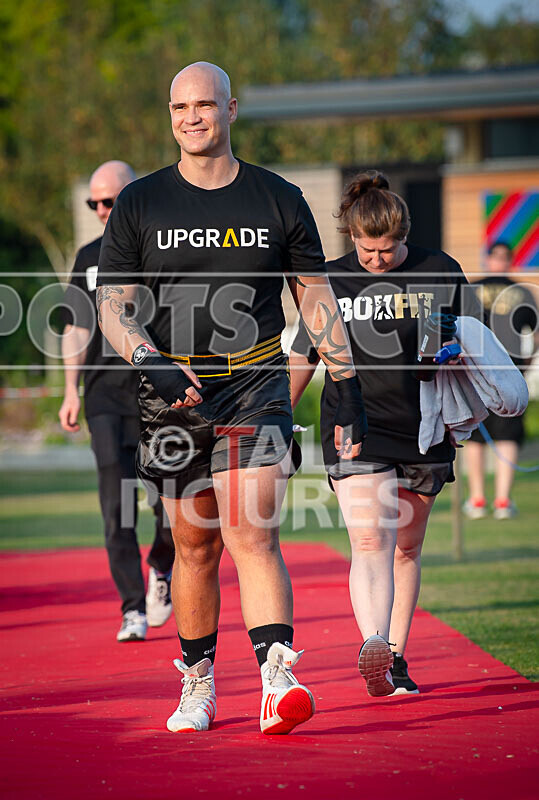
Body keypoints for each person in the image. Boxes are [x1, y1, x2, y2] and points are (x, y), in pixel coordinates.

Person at [95, 62, 366, 735]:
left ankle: (277, 679)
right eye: (179, 107)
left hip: (255, 384)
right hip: (171, 397)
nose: (192, 117)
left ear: (231, 109)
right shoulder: (139, 202)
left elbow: (313, 296)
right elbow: (112, 306)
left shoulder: (278, 198)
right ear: (170, 114)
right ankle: (198, 684)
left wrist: (346, 381)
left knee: (253, 530)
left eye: (205, 105)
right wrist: (150, 361)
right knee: (193, 546)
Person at [290, 171, 476, 696]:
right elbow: (304, 354)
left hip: (424, 428)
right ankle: (374, 643)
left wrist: (454, 351)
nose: (376, 259)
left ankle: (395, 658)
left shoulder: (440, 270)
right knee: (371, 539)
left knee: (406, 549)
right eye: (367, 249)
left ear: (404, 235)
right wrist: (278, 414)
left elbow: (475, 344)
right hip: (354, 425)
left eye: (387, 250)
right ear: (351, 236)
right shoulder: (327, 280)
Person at [59, 160, 176, 643]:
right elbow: (76, 326)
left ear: (132, 195)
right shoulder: (88, 257)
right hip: (104, 398)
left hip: (159, 395)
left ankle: (162, 567)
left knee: (170, 503)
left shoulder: (160, 245)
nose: (102, 210)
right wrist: (70, 389)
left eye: (109, 200)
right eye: (95, 203)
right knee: (116, 505)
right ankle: (132, 607)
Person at [463, 241, 538, 520]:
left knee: (476, 434)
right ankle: (502, 500)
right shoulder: (522, 292)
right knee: (505, 434)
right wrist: (526, 366)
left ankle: (478, 499)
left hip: (475, 371)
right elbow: (536, 333)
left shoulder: (471, 289)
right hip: (508, 371)